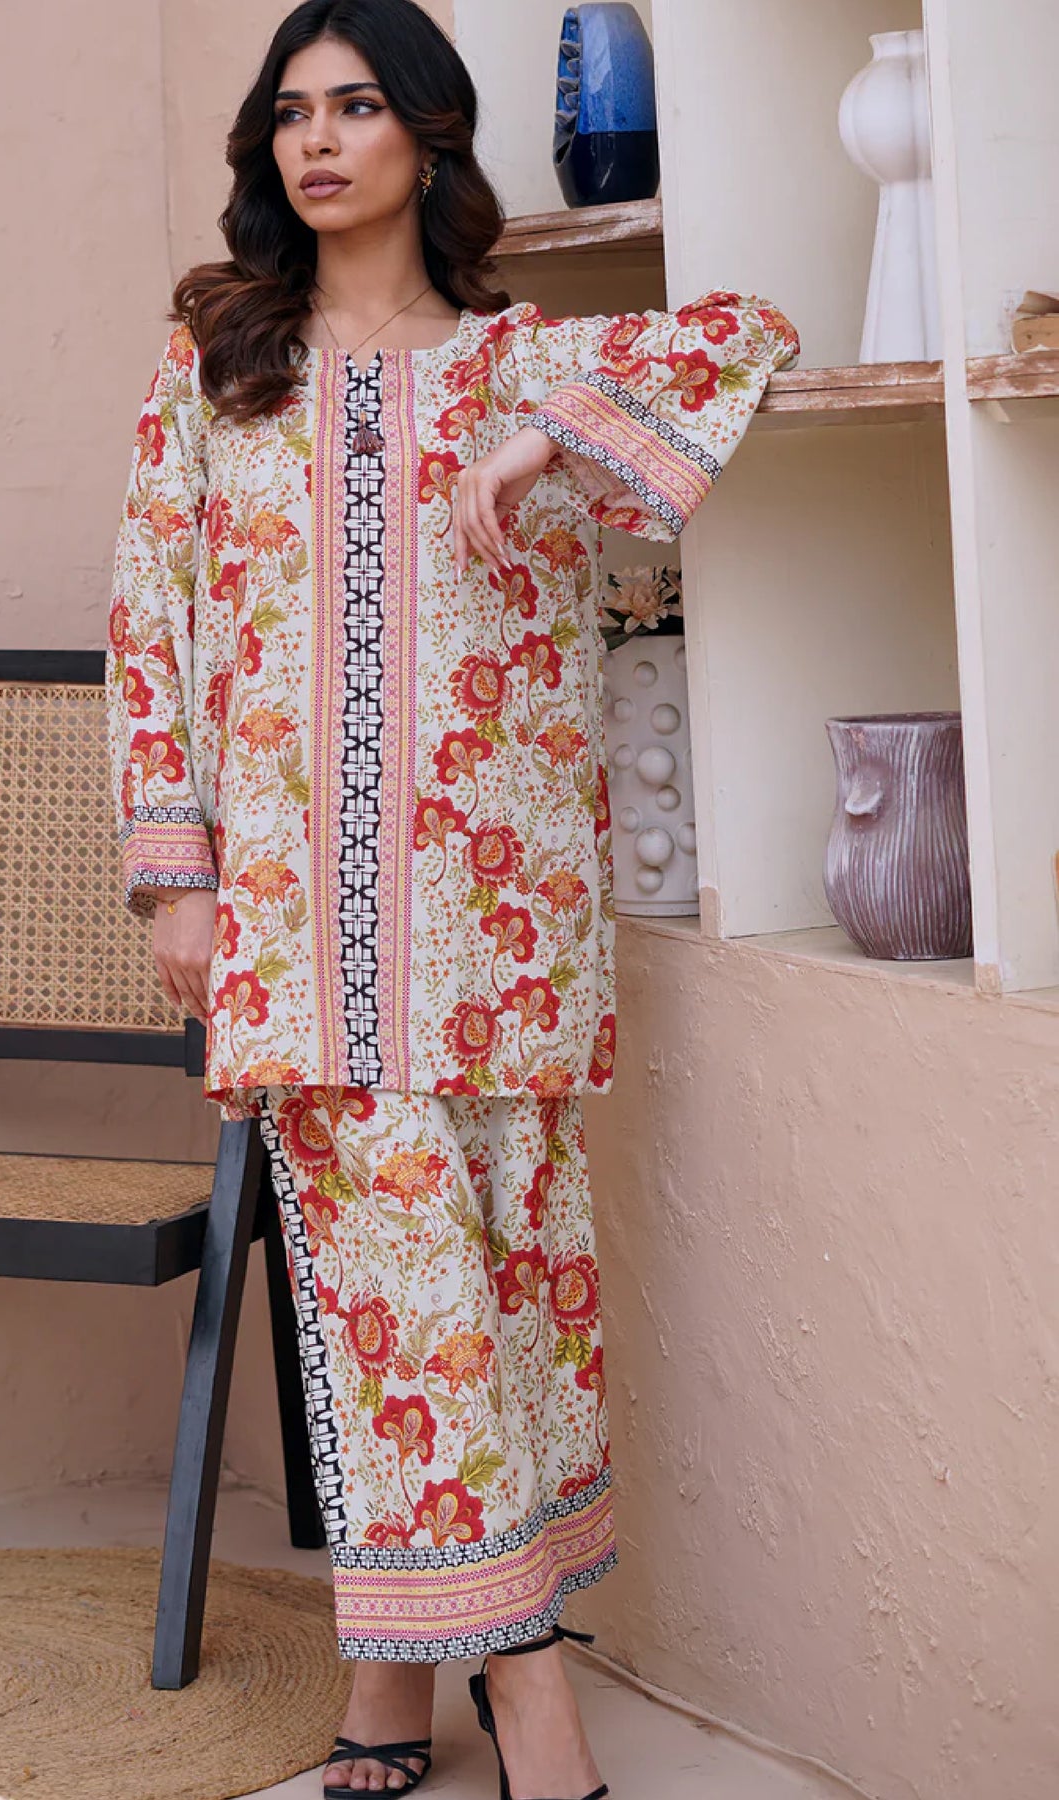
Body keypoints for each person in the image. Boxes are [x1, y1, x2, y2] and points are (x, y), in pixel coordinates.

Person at [105, 2, 798, 1794]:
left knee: (501, 1302)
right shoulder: (216, 367)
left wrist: (540, 438)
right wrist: (177, 877)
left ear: (426, 134)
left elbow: (751, 329)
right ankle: (531, 1692)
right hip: (299, 928)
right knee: (399, 1300)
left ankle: (390, 1689)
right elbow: (150, 630)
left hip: (500, 929)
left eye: (355, 108)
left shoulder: (522, 363)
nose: (314, 140)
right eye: (289, 113)